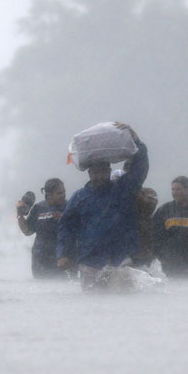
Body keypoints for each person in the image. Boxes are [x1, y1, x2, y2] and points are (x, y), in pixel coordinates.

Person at [56, 123, 148, 291]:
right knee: (92, 305)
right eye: (95, 172)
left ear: (109, 170)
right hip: (89, 262)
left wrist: (137, 140)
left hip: (120, 259)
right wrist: (63, 253)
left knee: (124, 303)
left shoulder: (122, 190)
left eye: (103, 172)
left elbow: (139, 169)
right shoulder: (79, 198)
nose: (99, 176)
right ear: (89, 173)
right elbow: (65, 227)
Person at [17, 178, 71, 279]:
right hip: (40, 259)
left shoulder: (69, 207)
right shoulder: (38, 208)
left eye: (64, 192)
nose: (63, 195)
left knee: (65, 290)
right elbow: (27, 231)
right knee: (42, 290)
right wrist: (20, 214)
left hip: (64, 258)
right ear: (48, 195)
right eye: (59, 193)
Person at [122, 158, 158, 267]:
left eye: (135, 170)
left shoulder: (148, 192)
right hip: (122, 246)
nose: (132, 174)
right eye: (128, 170)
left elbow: (149, 205)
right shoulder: (117, 193)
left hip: (142, 246)